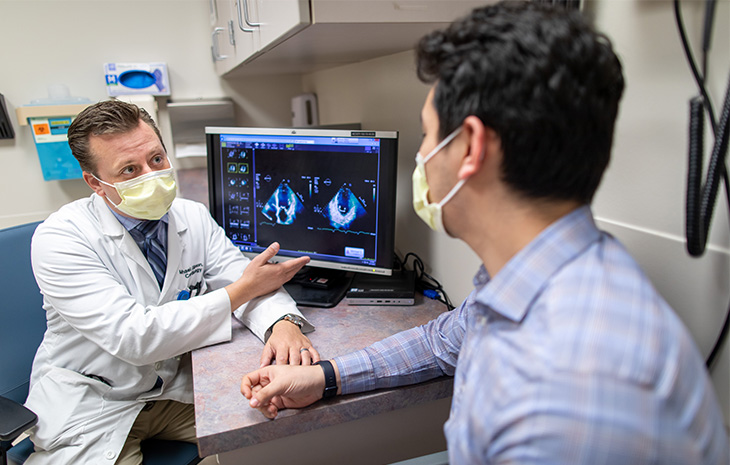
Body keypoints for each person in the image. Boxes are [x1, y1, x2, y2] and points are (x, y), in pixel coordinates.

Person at [240, 2, 730, 463]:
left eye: (428, 135)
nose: (422, 156)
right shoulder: (535, 270)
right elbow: (439, 341)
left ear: (470, 146)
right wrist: (323, 376)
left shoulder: (574, 385)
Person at [24, 99, 319, 465]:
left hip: (173, 390)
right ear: (94, 183)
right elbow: (135, 336)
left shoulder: (191, 216)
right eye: (129, 169)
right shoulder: (61, 239)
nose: (151, 175)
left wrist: (282, 323)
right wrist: (240, 291)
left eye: (157, 159)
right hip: (93, 402)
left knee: (280, 428)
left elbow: (243, 277)